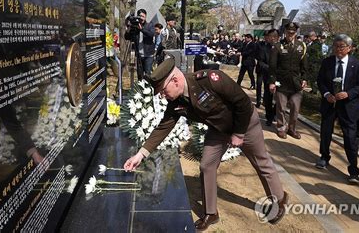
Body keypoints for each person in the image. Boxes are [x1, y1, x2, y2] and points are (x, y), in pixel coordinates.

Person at [123, 59, 288, 230]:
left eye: (163, 90)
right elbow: (164, 127)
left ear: (176, 80)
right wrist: (140, 155)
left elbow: (243, 103)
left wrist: (239, 134)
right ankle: (211, 212)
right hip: (218, 130)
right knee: (206, 166)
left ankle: (279, 199)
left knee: (261, 161)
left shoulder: (210, 79)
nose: (161, 96)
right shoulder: (176, 101)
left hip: (244, 123)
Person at [315, 34, 359, 184]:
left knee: (350, 138)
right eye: (336, 46)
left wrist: (348, 93)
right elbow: (320, 81)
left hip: (348, 106)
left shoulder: (358, 65)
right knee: (326, 132)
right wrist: (326, 94)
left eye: (342, 46)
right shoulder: (327, 62)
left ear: (349, 48)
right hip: (330, 104)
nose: (338, 49)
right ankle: (324, 157)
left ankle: (353, 170)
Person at [269, 22, 308, 139]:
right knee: (281, 107)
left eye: (293, 32)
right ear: (285, 32)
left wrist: (305, 78)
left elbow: (304, 65)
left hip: (296, 83)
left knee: (295, 109)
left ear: (296, 33)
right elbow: (272, 66)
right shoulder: (277, 46)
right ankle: (281, 128)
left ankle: (292, 128)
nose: (290, 34)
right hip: (281, 82)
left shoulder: (302, 46)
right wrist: (272, 82)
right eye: (288, 32)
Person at [125, 8, 155, 79]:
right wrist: (129, 27)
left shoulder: (149, 25)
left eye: (143, 16)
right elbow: (127, 37)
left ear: (145, 17)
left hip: (149, 55)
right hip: (139, 55)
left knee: (148, 74)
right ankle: (141, 88)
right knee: (140, 74)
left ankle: (149, 88)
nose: (141, 18)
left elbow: (151, 34)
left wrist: (141, 29)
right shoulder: (135, 27)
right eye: (140, 16)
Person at [257, 29, 279, 125]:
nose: (272, 38)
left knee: (280, 98)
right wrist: (269, 68)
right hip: (268, 76)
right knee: (268, 97)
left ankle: (274, 113)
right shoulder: (264, 49)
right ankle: (269, 117)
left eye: (275, 37)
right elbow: (260, 62)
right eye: (271, 37)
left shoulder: (282, 48)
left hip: (279, 77)